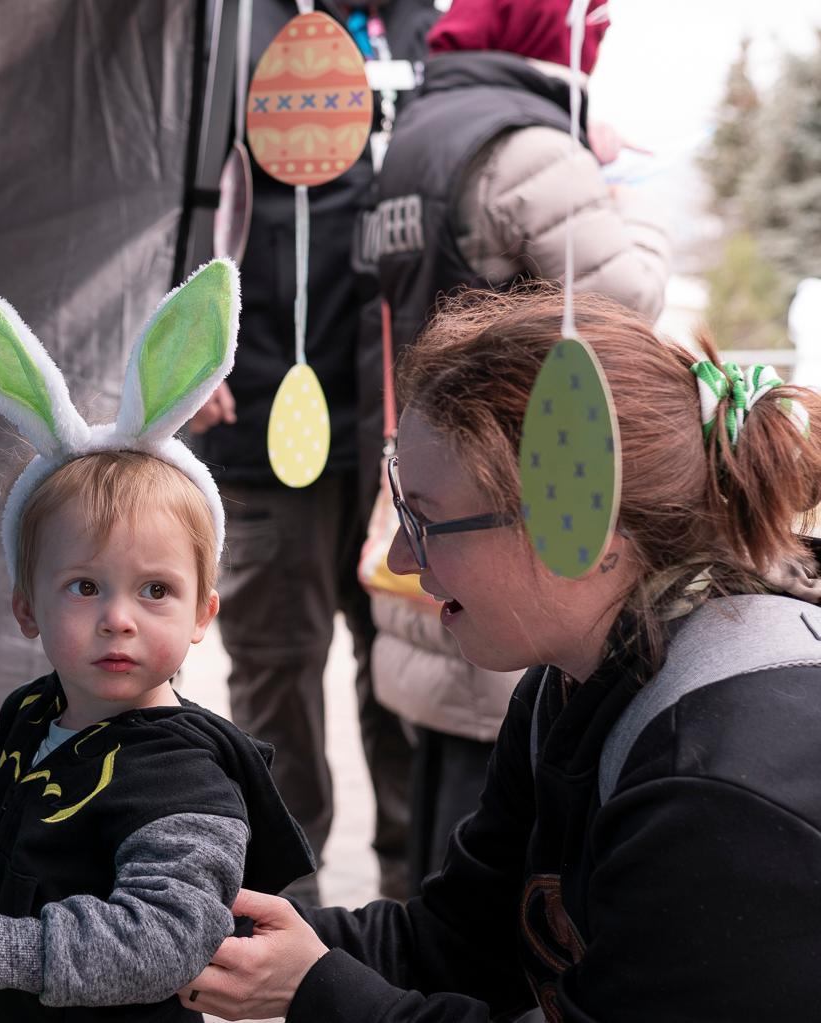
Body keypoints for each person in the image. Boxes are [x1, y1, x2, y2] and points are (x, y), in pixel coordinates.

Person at [178, 287, 821, 1021]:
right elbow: (460, 943)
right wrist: (200, 932)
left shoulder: (723, 791)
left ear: (579, 525)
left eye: (425, 519)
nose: (397, 555)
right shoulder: (573, 679)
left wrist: (318, 991)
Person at [0, 264, 314, 1021]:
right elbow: (7, 797)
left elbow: (170, 935)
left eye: (155, 590)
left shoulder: (186, 776)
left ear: (202, 614)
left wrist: (6, 949)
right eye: (85, 586)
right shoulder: (44, 711)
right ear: (26, 607)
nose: (118, 617)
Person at [354, 0, 672, 893]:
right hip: (516, 529)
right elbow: (623, 305)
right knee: (497, 845)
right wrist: (627, 201)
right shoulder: (531, 151)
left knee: (437, 825)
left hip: (425, 503)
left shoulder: (415, 139)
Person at [191, 0, 439, 905]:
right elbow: (174, 186)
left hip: (409, 441)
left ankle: (419, 933)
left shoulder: (429, 27)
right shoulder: (236, 23)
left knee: (410, 685)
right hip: (262, 425)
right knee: (278, 699)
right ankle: (286, 938)